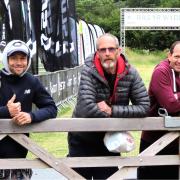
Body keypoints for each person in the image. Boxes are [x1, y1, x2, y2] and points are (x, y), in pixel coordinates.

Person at [67, 33, 150, 179]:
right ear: (97, 53)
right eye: (103, 50)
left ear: (119, 51)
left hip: (111, 140)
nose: (107, 53)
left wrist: (112, 110)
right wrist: (117, 116)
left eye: (111, 49)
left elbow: (144, 107)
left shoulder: (131, 72)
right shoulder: (88, 70)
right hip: (82, 138)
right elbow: (86, 109)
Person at [0, 40, 57, 179]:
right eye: (13, 58)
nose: (18, 62)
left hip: (20, 157)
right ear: (6, 59)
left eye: (22, 58)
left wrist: (31, 116)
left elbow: (51, 108)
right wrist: (6, 111)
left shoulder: (31, 81)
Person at [138, 41, 180, 179]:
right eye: (177, 56)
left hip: (176, 142)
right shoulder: (161, 71)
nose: (179, 61)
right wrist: (174, 99)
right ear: (169, 55)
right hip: (154, 141)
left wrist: (176, 97)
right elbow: (171, 105)